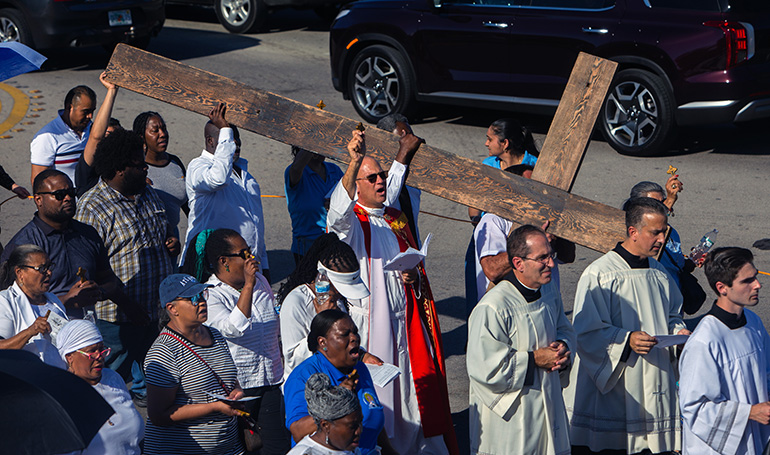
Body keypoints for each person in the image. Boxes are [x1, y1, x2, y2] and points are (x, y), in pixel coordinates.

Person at [328, 130, 458, 454]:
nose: (380, 181)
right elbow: (336, 217)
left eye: (382, 175)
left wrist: (413, 274)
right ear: (356, 186)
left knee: (415, 392)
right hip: (374, 327)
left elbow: (393, 188)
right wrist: (354, 161)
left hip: (407, 323)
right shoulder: (355, 226)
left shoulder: (393, 218)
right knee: (384, 398)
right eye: (371, 177)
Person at [564, 197, 691, 455]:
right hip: (617, 382)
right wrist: (626, 339)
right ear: (633, 232)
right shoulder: (600, 273)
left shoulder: (659, 272)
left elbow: (672, 314)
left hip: (656, 376)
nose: (661, 240)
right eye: (654, 232)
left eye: (664, 232)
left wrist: (679, 333)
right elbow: (586, 331)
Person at [75, 128, 177, 402]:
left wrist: (171, 242)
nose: (146, 169)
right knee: (105, 385)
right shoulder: (92, 207)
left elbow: (163, 231)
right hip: (117, 320)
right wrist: (128, 306)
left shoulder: (147, 193)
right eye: (139, 165)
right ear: (120, 169)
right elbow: (88, 272)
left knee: (157, 383)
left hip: (155, 313)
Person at [467, 225, 575, 455]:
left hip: (549, 403)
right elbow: (483, 368)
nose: (552, 264)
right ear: (518, 263)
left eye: (551, 255)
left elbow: (564, 329)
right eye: (542, 258)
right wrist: (534, 359)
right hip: (514, 419)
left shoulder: (548, 292)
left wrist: (564, 348)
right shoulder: (493, 307)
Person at [1, 169, 147, 322]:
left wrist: (99, 292)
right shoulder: (23, 244)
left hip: (86, 333)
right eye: (59, 195)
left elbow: (108, 278)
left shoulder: (88, 234)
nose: (68, 198)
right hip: (42, 335)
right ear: (38, 199)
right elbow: (10, 301)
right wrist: (65, 300)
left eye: (72, 192)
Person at [202, 228, 290, 454]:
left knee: (276, 446)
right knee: (244, 448)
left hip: (270, 379)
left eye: (250, 252)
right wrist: (248, 286)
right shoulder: (212, 295)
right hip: (238, 389)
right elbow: (233, 329)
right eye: (244, 254)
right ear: (225, 262)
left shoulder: (261, 281)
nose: (251, 258)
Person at [679, 247, 770, 455]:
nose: (758, 285)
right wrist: (750, 412)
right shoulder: (705, 341)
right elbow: (694, 408)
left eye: (755, 277)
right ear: (722, 288)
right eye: (747, 281)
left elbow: (766, 373)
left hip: (754, 439)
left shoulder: (753, 322)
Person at [144, 273, 245, 455]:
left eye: (203, 295)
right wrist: (213, 407)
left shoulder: (216, 335)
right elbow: (159, 415)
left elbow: (227, 377)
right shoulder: (163, 352)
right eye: (193, 298)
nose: (201, 302)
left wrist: (236, 391)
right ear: (172, 308)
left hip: (228, 447)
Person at [284, 310, 393, 455]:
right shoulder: (304, 376)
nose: (354, 338)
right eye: (344, 334)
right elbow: (298, 432)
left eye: (355, 332)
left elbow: (372, 412)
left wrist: (390, 451)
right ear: (323, 342)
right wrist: (336, 401)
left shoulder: (359, 368)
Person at [184, 102, 270, 282]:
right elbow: (218, 179)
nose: (235, 143)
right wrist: (224, 129)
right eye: (229, 138)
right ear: (210, 141)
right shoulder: (198, 167)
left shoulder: (249, 179)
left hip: (247, 268)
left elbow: (256, 228)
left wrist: (264, 267)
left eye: (236, 138)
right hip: (210, 269)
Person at [465, 119, 539, 313]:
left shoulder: (535, 166)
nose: (486, 144)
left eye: (490, 139)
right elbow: (474, 206)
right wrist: (481, 223)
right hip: (491, 233)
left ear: (505, 143)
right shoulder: (488, 164)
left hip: (525, 235)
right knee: (480, 291)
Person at [473, 164, 574, 304]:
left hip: (547, 305)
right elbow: (492, 270)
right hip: (508, 306)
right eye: (531, 187)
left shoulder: (546, 217)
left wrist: (557, 236)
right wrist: (532, 243)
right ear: (513, 190)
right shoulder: (493, 221)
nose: (538, 193)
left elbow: (569, 257)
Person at [277, 232, 372, 380]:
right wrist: (322, 322)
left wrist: (361, 355)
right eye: (339, 288)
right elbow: (294, 360)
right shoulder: (295, 302)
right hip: (306, 388)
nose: (341, 294)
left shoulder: (337, 300)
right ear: (323, 278)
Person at [56, 319, 144, 455]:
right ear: (69, 357)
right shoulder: (61, 395)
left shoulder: (113, 378)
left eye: (102, 349)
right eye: (92, 352)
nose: (99, 357)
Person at [0, 244, 67, 368]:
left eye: (49, 266)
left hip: (59, 376)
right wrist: (30, 331)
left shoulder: (53, 300)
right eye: (41, 268)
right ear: (20, 273)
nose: (49, 272)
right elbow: (1, 348)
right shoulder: (4, 302)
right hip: (27, 377)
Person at [284, 145, 343, 264]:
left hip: (336, 241)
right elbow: (296, 168)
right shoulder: (296, 172)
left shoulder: (334, 170)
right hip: (308, 246)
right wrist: (311, 142)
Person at [134, 111, 188, 239]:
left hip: (173, 239)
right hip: (146, 239)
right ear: (142, 136)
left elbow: (189, 206)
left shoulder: (175, 162)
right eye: (155, 131)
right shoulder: (136, 167)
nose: (162, 134)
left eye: (164, 129)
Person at [627, 179, 689, 288]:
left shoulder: (672, 233)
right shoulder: (637, 234)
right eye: (653, 204)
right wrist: (669, 201)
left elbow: (676, 266)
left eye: (662, 202)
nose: (661, 239)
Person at [30, 85, 96, 185]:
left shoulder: (94, 130)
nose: (90, 116)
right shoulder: (47, 137)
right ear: (69, 107)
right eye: (85, 111)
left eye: (92, 111)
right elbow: (39, 182)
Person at [287, 372, 364, 455]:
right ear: (325, 425)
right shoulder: (307, 453)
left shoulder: (350, 449)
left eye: (360, 423)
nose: (359, 431)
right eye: (352, 426)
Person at [375, 114, 422, 244]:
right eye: (402, 140)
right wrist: (403, 152)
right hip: (388, 251)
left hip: (413, 248)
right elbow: (387, 200)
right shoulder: (372, 179)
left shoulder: (412, 182)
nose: (409, 143)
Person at [75, 72, 121, 197]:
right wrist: (112, 91)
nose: (111, 141)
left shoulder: (123, 170)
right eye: (107, 135)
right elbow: (96, 137)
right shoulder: (87, 169)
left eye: (115, 137)